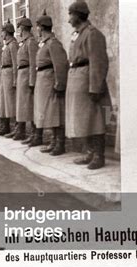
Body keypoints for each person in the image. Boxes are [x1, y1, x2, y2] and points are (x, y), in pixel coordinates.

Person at [66, 1, 110, 169]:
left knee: (96, 119)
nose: (68, 19)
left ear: (78, 15)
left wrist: (95, 87)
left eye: (70, 15)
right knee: (84, 120)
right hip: (78, 79)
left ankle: (99, 155)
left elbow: (99, 62)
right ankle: (90, 152)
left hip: (88, 81)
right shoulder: (78, 34)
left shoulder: (92, 34)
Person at [34, 10, 69, 156]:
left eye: (37, 26)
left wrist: (59, 84)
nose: (37, 29)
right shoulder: (44, 44)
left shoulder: (53, 43)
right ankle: (53, 141)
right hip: (43, 80)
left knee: (56, 113)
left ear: (42, 27)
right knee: (49, 113)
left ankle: (60, 143)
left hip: (50, 81)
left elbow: (60, 65)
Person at [12, 15, 38, 141]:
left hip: (27, 75)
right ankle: (20, 131)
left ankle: (34, 134)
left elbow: (33, 63)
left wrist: (32, 81)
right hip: (22, 75)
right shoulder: (23, 43)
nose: (19, 32)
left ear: (23, 29)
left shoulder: (31, 42)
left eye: (20, 29)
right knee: (22, 105)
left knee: (30, 105)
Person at [0, 19, 18, 136]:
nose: (1, 34)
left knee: (10, 102)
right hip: (4, 74)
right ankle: (4, 126)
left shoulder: (13, 45)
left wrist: (15, 79)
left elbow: (15, 63)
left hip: (9, 73)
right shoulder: (6, 46)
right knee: (3, 102)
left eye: (3, 31)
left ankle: (15, 128)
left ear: (7, 32)